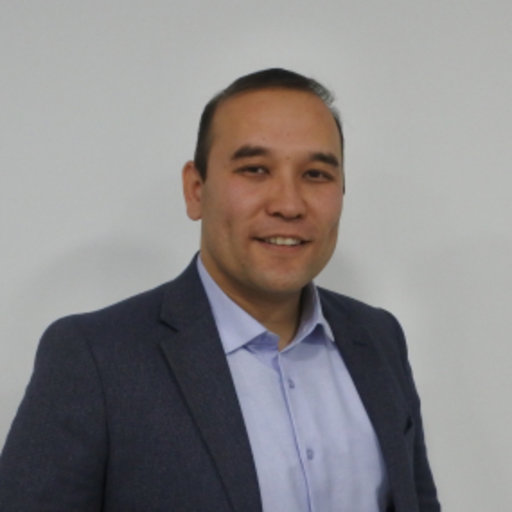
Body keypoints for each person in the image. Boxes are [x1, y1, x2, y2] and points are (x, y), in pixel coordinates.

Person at [0, 68, 441, 511]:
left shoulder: (379, 338)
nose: (288, 204)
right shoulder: (95, 358)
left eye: (316, 174)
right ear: (196, 190)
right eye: (255, 169)